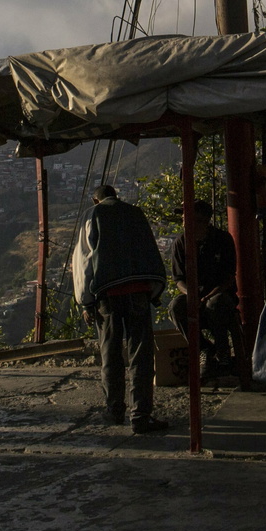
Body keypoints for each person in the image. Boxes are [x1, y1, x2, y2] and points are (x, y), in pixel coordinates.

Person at [70, 183, 169, 434]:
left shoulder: (92, 215)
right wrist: (154, 291)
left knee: (111, 354)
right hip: (138, 291)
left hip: (108, 295)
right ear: (117, 196)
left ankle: (115, 410)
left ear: (96, 200)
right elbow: (150, 252)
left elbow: (84, 260)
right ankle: (141, 415)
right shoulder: (135, 213)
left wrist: (86, 301)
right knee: (141, 354)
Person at [168, 200, 240, 381]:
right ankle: (204, 349)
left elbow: (229, 277)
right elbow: (179, 279)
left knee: (215, 304)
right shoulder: (181, 242)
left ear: (203, 221)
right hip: (194, 294)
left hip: (219, 294)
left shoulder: (222, 240)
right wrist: (190, 294)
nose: (185, 223)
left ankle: (223, 353)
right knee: (175, 306)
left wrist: (208, 295)